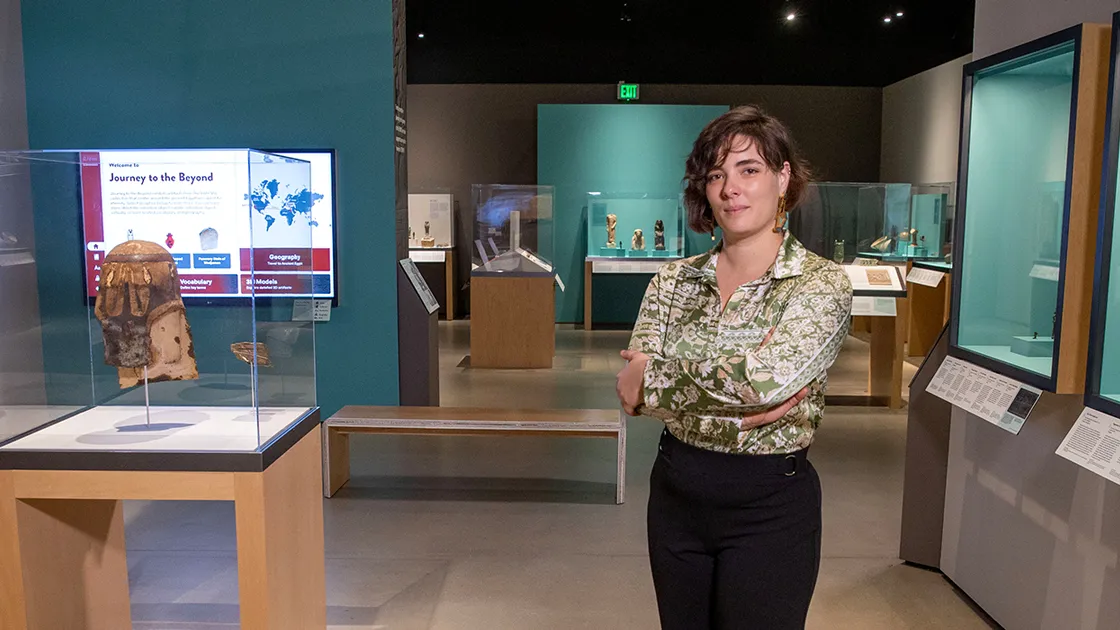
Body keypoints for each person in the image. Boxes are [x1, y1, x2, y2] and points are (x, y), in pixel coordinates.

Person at [615, 105, 853, 629]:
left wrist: (662, 378)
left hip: (769, 507)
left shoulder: (820, 283)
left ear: (783, 177)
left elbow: (765, 380)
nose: (730, 189)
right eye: (716, 175)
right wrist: (737, 394)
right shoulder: (673, 281)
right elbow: (631, 395)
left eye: (749, 170)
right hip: (676, 496)